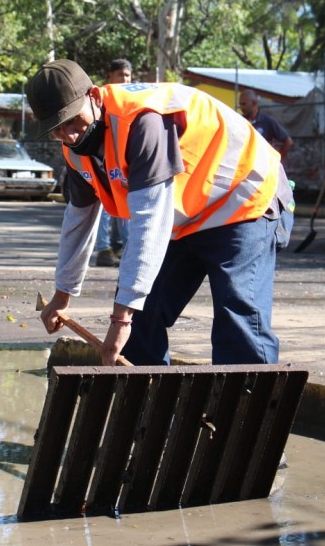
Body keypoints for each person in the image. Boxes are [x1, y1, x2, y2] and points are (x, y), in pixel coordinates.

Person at [26, 59, 294, 366]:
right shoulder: (76, 151)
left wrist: (120, 320)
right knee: (142, 313)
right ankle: (148, 402)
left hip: (245, 197)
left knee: (238, 315)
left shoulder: (142, 122)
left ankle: (248, 408)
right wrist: (62, 295)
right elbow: (79, 221)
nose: (69, 136)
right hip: (187, 214)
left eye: (73, 121)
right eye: (56, 129)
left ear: (94, 96)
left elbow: (148, 224)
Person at [93, 58, 133, 267]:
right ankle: (103, 249)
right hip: (104, 159)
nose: (124, 79)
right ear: (110, 76)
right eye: (120, 75)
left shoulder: (133, 98)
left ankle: (126, 248)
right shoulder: (102, 98)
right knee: (105, 207)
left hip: (125, 160)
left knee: (125, 206)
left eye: (127, 75)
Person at [238, 88, 293, 162]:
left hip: (262, 167)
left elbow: (288, 141)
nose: (241, 107)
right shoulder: (239, 121)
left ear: (254, 103)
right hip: (243, 166)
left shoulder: (267, 121)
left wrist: (277, 162)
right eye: (240, 104)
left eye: (244, 104)